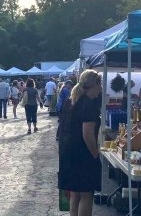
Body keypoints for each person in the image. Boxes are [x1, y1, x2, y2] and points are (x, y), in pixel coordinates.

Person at [58, 70, 102, 216]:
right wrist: (95, 154)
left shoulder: (71, 101)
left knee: (75, 194)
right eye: (100, 85)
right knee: (86, 195)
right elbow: (87, 134)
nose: (101, 89)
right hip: (83, 155)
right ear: (95, 85)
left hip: (69, 154)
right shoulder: (88, 105)